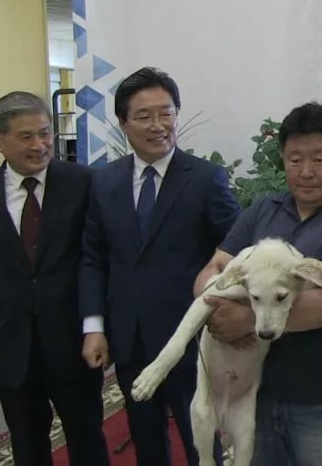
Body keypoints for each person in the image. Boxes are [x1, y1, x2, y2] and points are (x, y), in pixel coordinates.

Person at [192, 102, 322, 466]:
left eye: (320, 159)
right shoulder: (265, 209)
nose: (306, 171)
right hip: (257, 394)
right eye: (295, 160)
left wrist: (245, 319)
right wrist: (210, 305)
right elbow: (217, 266)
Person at [79, 67, 240, 466]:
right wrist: (94, 326)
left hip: (190, 336)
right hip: (129, 337)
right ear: (123, 123)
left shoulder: (205, 179)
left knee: (200, 439)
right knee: (146, 439)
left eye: (166, 113)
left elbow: (235, 251)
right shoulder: (104, 182)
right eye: (144, 116)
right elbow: (93, 257)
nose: (158, 125)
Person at [0, 91, 109, 466]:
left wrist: (98, 325)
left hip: (73, 341)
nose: (40, 145)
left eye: (45, 133)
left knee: (87, 437)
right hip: (9, 343)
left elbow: (98, 259)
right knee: (27, 443)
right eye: (26, 137)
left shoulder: (84, 183)